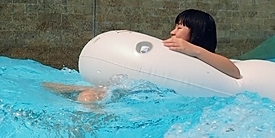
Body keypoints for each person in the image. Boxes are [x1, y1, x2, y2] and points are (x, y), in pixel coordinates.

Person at [44, 9, 240, 102]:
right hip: (138, 88)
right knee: (54, 87)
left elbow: (234, 71)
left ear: (197, 33)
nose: (172, 32)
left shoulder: (203, 61)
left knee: (87, 97)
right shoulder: (170, 56)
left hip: (151, 97)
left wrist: (194, 50)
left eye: (179, 28)